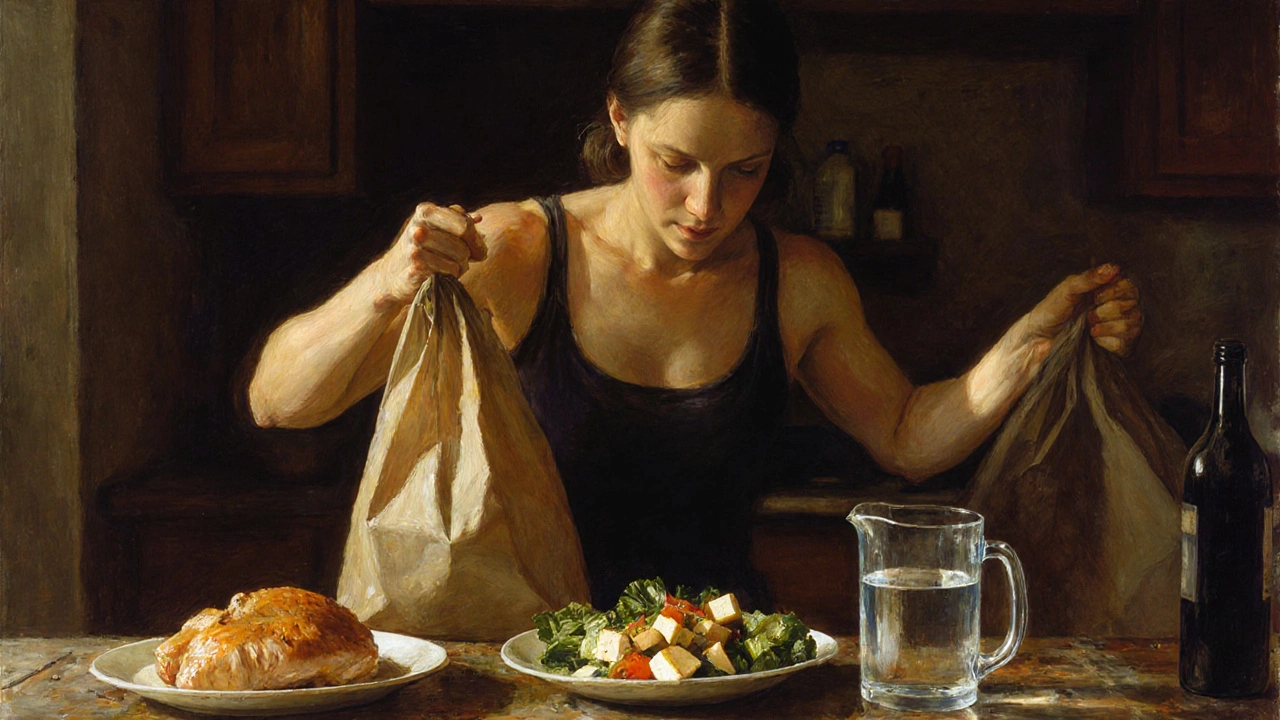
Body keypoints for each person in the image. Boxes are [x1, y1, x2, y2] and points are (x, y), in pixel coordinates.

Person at [246, 0, 1142, 609]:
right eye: (676, 164)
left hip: (728, 672)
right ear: (621, 120)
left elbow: (908, 437)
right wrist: (388, 280)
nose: (707, 206)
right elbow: (280, 402)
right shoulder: (515, 250)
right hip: (542, 675)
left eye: (743, 171)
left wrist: (1034, 343)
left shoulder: (799, 279)